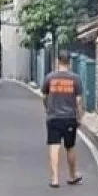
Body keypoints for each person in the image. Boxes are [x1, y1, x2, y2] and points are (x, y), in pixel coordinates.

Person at [40, 52, 84, 188]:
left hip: (53, 117)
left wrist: (48, 109)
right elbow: (78, 101)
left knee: (54, 146)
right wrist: (79, 116)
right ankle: (72, 176)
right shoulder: (75, 79)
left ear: (57, 61)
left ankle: (55, 178)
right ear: (69, 62)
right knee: (70, 147)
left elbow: (44, 96)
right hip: (70, 118)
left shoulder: (50, 78)